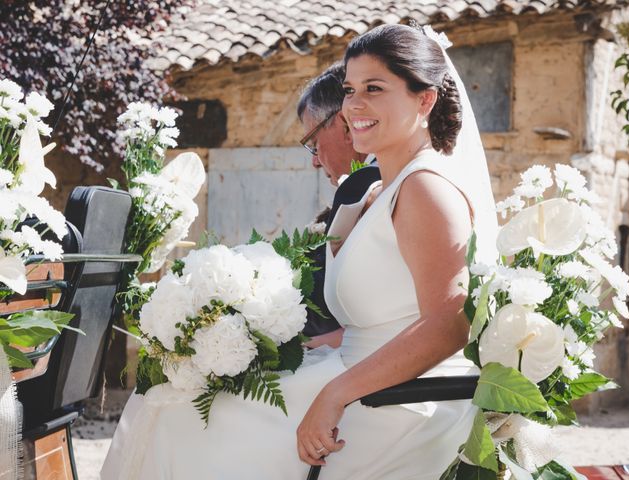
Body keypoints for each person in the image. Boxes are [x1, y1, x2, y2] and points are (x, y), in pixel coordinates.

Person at [101, 23, 498, 480]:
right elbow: (386, 316)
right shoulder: (382, 194)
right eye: (350, 90)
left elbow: (449, 326)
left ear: (424, 99)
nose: (355, 105)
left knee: (177, 422)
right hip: (356, 381)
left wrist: (333, 394)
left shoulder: (427, 189)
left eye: (374, 88)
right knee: (166, 399)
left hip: (393, 408)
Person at [296, 62, 381, 344]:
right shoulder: (369, 183)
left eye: (313, 142)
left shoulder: (371, 187)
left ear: (344, 125)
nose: (314, 160)